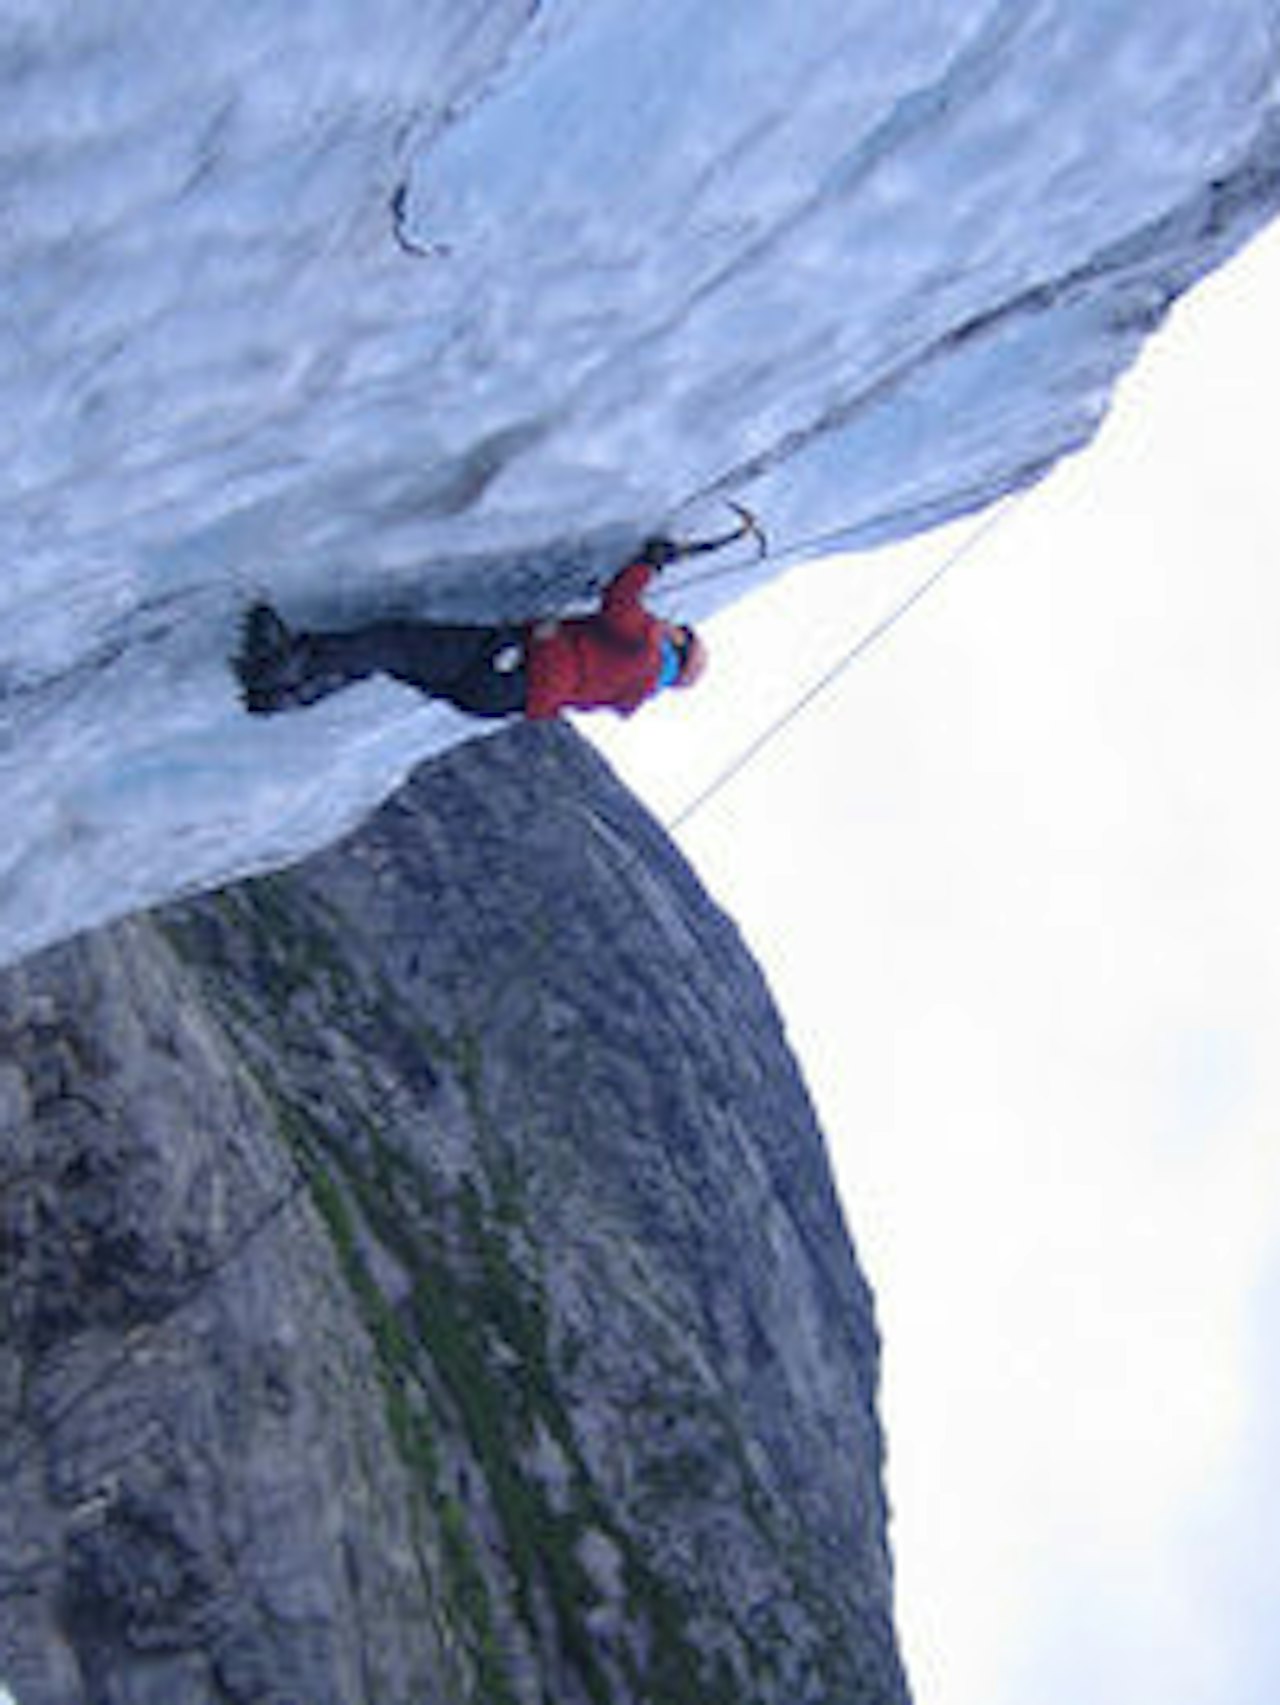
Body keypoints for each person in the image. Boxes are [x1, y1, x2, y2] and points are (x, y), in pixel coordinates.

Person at [233, 541, 707, 720]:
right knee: (394, 662)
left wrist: (649, 563)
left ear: (678, 646)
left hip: (509, 664)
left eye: (681, 630)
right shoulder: (631, 690)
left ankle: (284, 663)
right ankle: (287, 696)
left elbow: (620, 605)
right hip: (496, 701)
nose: (671, 624)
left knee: (395, 644)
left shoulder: (646, 648)